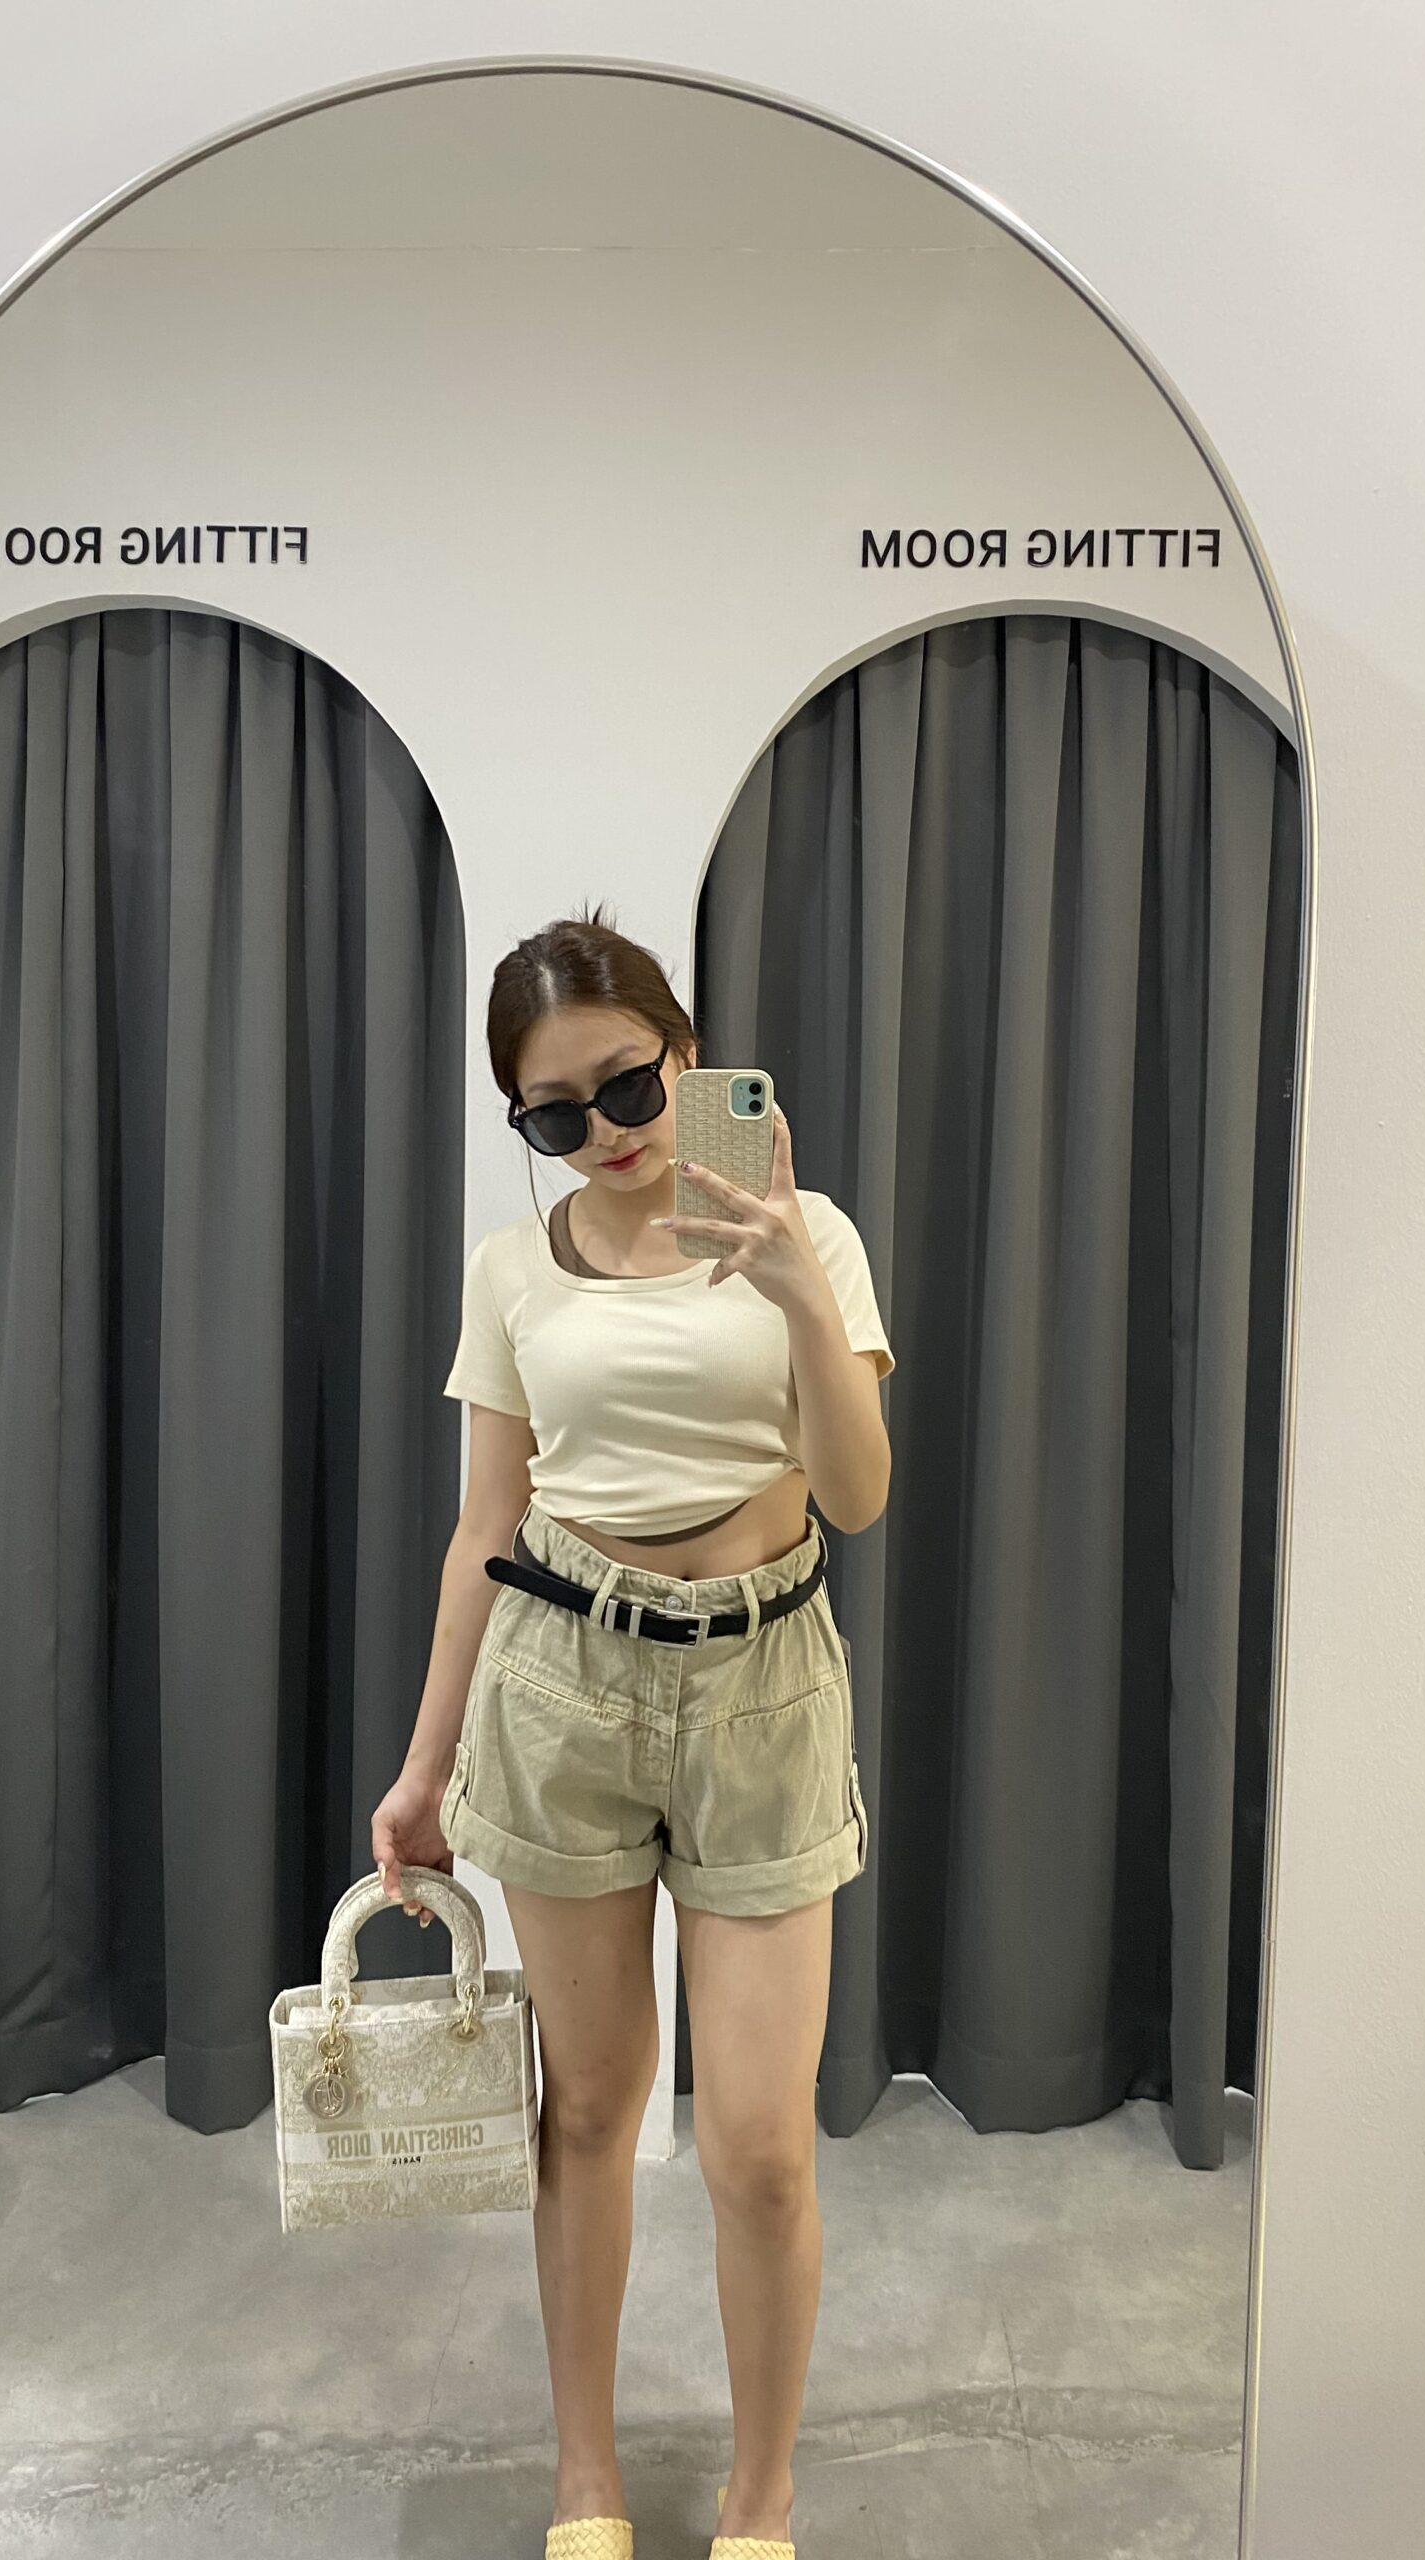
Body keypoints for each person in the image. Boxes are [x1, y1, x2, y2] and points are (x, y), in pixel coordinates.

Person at [370, 901, 895, 2560]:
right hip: (562, 1687)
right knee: (590, 2112)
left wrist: (793, 1289)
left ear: (688, 1053)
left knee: (758, 2148)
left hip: (763, 1692)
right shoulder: (512, 1273)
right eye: (553, 1115)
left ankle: (761, 2498)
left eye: (628, 1085)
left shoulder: (810, 1231)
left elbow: (859, 1496)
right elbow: (484, 1530)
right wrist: (425, 1766)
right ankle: (584, 2478)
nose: (604, 1132)